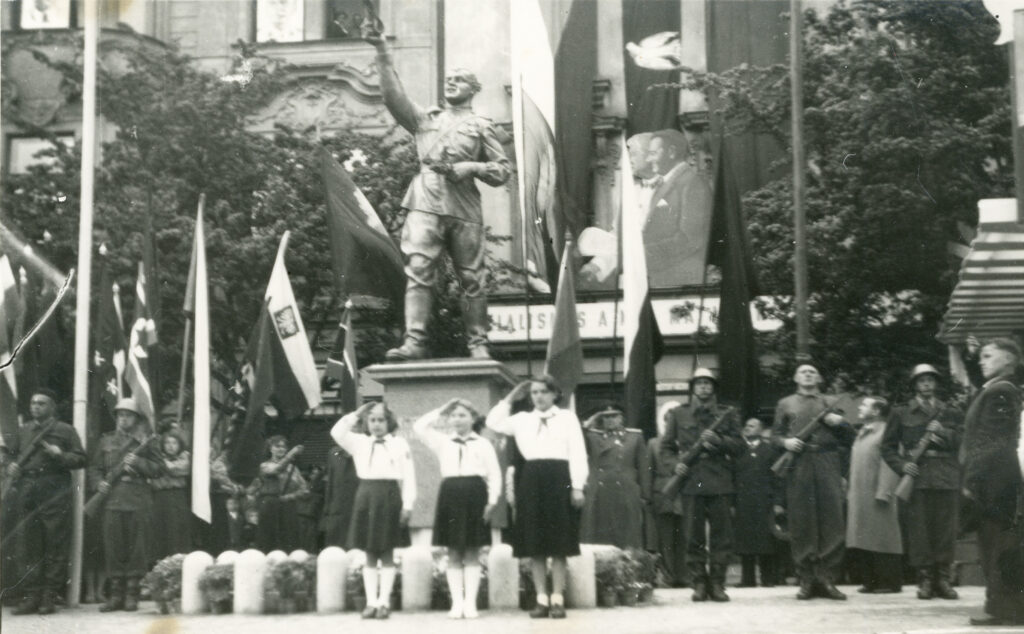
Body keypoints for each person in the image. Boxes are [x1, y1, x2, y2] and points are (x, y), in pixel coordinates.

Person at [363, 27, 511, 361]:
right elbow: (392, 97)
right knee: (418, 271)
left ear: (473, 89)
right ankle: (415, 340)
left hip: (464, 206)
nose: (451, 82)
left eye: (459, 79)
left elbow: (502, 171)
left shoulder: (480, 125)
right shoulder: (425, 119)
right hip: (425, 200)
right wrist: (382, 52)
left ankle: (478, 343)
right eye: (449, 79)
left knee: (472, 278)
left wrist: (471, 168)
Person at [486, 377, 588, 619]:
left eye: (543, 392)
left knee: (559, 542)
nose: (539, 397)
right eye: (534, 393)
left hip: (560, 477)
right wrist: (511, 397)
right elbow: (493, 422)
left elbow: (577, 452)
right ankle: (541, 599)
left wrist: (577, 486)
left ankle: (557, 598)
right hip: (532, 479)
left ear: (554, 394)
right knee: (536, 543)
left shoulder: (567, 418)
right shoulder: (522, 420)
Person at [773, 364, 855, 601]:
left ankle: (827, 578)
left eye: (812, 371)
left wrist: (838, 422)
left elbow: (849, 438)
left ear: (819, 377)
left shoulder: (830, 402)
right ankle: (807, 578)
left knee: (832, 518)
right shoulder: (786, 403)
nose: (808, 374)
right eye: (803, 371)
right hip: (799, 462)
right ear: (795, 377)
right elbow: (775, 437)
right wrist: (786, 443)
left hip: (827, 460)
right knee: (802, 519)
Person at [881, 363, 963, 600]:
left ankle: (943, 579)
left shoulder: (951, 411)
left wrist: (943, 433)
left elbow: (962, 440)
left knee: (945, 531)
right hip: (917, 477)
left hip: (946, 475)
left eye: (931, 380)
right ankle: (925, 579)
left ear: (936, 384)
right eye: (921, 380)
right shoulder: (901, 412)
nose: (927, 384)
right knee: (920, 531)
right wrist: (901, 466)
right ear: (914, 385)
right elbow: (887, 448)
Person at [414, 398, 501, 619]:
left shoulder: (483, 444)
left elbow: (494, 475)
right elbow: (419, 427)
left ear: (473, 419)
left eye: (463, 415)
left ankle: (470, 603)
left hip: (475, 494)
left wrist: (491, 501)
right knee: (452, 550)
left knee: (472, 549)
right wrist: (442, 409)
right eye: (454, 415)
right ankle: (457, 603)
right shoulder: (442, 442)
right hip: (450, 495)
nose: (458, 419)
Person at [662, 368, 742, 603]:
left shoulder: (728, 414)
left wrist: (720, 441)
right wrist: (675, 465)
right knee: (692, 534)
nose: (704, 387)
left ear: (713, 387)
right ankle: (698, 582)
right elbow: (666, 447)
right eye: (699, 383)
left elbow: (740, 446)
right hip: (691, 480)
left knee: (721, 535)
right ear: (693, 388)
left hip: (719, 479)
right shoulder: (679, 413)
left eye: (708, 383)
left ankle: (717, 583)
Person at [331, 401, 416, 620]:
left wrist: (408, 505)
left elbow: (409, 477)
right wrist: (356, 414)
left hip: (389, 496)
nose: (376, 424)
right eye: (372, 420)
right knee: (369, 551)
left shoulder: (400, 444)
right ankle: (371, 603)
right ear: (366, 423)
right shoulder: (358, 442)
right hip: (366, 495)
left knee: (387, 550)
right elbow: (336, 432)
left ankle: (384, 602)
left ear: (389, 422)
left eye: (381, 420)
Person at [960, 338, 1024, 626]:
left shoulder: (1000, 392)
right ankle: (1000, 606)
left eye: (988, 356)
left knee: (996, 545)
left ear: (1008, 360)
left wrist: (972, 480)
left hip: (994, 481)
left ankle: (1005, 609)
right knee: (993, 544)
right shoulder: (995, 389)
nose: (982, 360)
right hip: (996, 479)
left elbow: (992, 442)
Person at [5, 388, 86, 615]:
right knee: (30, 545)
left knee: (55, 544)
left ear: (52, 407)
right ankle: (32, 596)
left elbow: (81, 458)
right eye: (33, 403)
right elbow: (11, 455)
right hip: (28, 490)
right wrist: (10, 465)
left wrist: (60, 455)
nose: (35, 407)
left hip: (54, 490)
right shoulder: (24, 431)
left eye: (41, 403)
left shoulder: (65, 431)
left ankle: (49, 596)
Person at [91, 398, 162, 612]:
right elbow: (94, 468)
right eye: (120, 415)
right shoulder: (106, 441)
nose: (123, 419)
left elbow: (159, 469)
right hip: (112, 498)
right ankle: (115, 595)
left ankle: (132, 594)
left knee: (136, 548)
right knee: (114, 548)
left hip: (138, 497)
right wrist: (99, 483)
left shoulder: (146, 442)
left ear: (137, 419)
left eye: (128, 415)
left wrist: (139, 462)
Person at [846, 397, 903, 594]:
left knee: (884, 537)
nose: (860, 407)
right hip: (861, 494)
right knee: (865, 537)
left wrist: (885, 490)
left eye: (864, 405)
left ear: (877, 410)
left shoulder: (885, 432)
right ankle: (870, 581)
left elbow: (890, 461)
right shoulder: (863, 432)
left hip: (878, 493)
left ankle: (889, 582)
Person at [642, 130, 713, 288]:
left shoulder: (692, 183)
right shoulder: (666, 184)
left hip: (681, 281)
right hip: (662, 279)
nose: (648, 159)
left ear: (672, 152)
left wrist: (642, 253)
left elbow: (689, 239)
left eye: (653, 153)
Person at [580, 403, 648, 550]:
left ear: (622, 418)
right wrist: (589, 423)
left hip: (626, 492)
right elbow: (576, 438)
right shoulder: (592, 436)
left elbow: (643, 468)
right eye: (606, 417)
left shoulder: (634, 437)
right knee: (599, 538)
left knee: (628, 537)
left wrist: (645, 495)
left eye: (614, 416)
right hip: (600, 493)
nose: (610, 420)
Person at [644, 402, 689, 588]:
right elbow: (648, 471)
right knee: (665, 538)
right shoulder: (654, 443)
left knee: (686, 536)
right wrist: (648, 496)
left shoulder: (688, 442)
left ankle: (685, 576)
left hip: (685, 493)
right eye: (667, 418)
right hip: (663, 494)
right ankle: (669, 576)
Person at [734, 417, 780, 588]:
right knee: (746, 540)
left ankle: (768, 578)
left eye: (752, 426)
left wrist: (778, 502)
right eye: (746, 425)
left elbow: (778, 478)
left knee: (766, 539)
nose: (748, 428)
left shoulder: (770, 451)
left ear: (761, 430)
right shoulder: (738, 450)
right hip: (743, 501)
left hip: (764, 502)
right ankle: (747, 579)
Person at [248, 436, 308, 553]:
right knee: (268, 540)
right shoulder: (264, 465)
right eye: (277, 446)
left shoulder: (293, 469)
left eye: (284, 447)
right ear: (270, 449)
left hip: (287, 506)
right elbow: (276, 470)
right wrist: (291, 454)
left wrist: (289, 496)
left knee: (289, 540)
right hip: (269, 505)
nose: (281, 449)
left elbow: (304, 488)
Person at [148, 429, 192, 561]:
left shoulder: (185, 457)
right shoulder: (158, 458)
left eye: (174, 443)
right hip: (159, 497)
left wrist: (160, 464)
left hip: (176, 497)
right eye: (167, 443)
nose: (170, 446)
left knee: (176, 530)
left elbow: (174, 469)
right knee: (160, 530)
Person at [321, 438, 361, 550]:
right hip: (337, 506)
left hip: (357, 504)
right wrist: (327, 509)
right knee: (335, 544)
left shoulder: (363, 451)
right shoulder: (333, 453)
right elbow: (330, 483)